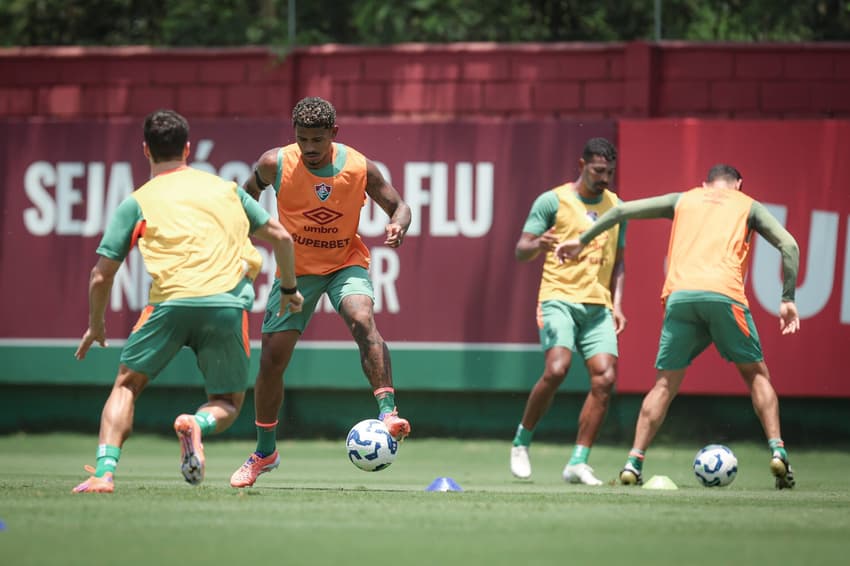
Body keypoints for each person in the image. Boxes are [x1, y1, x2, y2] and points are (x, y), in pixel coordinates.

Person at [72, 109, 303, 493]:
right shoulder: (226, 190)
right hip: (226, 305)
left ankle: (104, 472)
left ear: (145, 150)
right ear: (188, 149)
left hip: (169, 305)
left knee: (126, 385)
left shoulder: (137, 201)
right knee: (227, 402)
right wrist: (291, 290)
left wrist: (96, 324)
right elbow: (281, 237)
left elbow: (101, 274)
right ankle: (199, 424)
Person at [555, 163, 799, 489]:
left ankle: (633, 461)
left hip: (680, 298)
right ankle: (778, 452)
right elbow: (790, 246)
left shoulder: (684, 199)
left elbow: (621, 211)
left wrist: (581, 241)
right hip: (724, 296)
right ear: (738, 184)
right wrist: (787, 298)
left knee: (664, 385)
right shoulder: (748, 204)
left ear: (704, 184)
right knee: (756, 374)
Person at [229, 96, 412, 488]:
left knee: (363, 319)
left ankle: (387, 412)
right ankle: (265, 452)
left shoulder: (360, 167)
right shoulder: (274, 163)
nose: (310, 148)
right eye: (302, 139)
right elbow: (244, 198)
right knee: (272, 361)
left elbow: (399, 205)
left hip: (346, 263)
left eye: (317, 139)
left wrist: (398, 224)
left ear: (334, 134)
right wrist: (246, 235)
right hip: (295, 272)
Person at [510, 137, 627, 486]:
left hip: (597, 305)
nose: (603, 178)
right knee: (558, 368)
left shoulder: (617, 207)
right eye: (597, 171)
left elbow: (619, 262)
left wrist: (618, 303)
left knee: (605, 378)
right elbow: (521, 250)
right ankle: (521, 441)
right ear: (581, 166)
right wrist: (537, 244)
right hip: (558, 298)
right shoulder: (553, 200)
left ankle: (578, 460)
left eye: (609, 172)